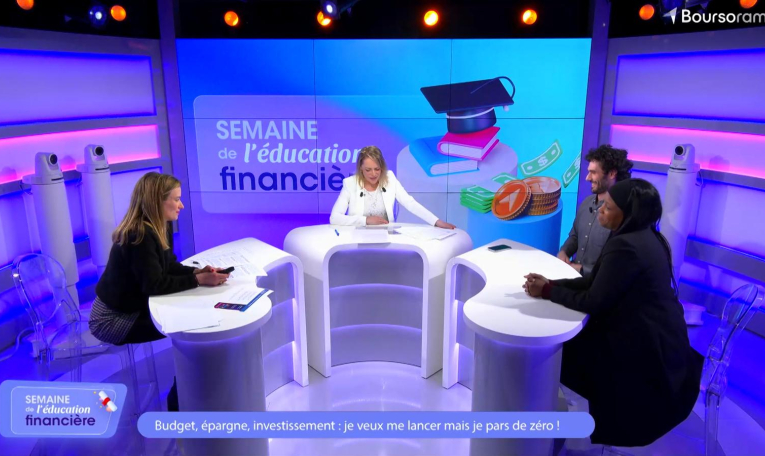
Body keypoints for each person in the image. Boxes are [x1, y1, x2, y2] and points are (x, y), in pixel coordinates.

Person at [523, 178, 703, 447]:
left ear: (628, 214)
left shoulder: (626, 245)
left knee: (559, 353)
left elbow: (593, 301)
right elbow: (598, 281)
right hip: (663, 339)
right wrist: (552, 284)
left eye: (608, 207)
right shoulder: (646, 236)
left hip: (644, 349)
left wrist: (547, 291)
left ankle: (564, 431)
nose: (601, 210)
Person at [89, 172, 230, 410]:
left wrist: (198, 272)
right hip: (112, 320)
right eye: (176, 199)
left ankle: (187, 394)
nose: (181, 205)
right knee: (189, 326)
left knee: (190, 317)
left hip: (132, 307)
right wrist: (198, 280)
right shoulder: (139, 235)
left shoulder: (159, 226)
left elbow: (168, 266)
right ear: (157, 201)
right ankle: (179, 401)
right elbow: (154, 285)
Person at [330, 145, 456, 228]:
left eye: (377, 169)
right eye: (368, 170)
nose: (373, 174)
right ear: (361, 169)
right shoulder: (350, 183)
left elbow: (410, 203)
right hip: (357, 240)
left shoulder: (389, 178)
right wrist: (365, 220)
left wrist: (436, 222)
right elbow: (334, 218)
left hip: (387, 239)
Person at [558, 145, 633, 276]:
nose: (587, 178)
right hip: (572, 278)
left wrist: (582, 270)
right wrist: (564, 252)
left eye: (593, 172)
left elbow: (620, 267)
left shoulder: (623, 214)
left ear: (612, 174)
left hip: (599, 283)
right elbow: (575, 236)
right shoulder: (586, 202)